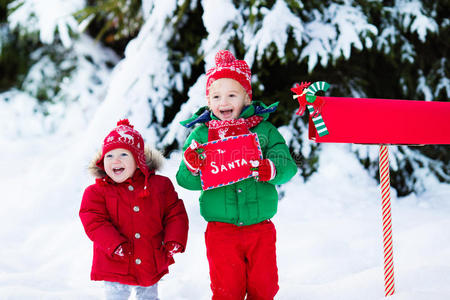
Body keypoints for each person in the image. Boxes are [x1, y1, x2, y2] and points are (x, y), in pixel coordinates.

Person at [176, 50, 297, 299]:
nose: (224, 102)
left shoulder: (263, 131)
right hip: (222, 230)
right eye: (216, 96)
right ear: (209, 101)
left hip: (259, 229)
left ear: (246, 97)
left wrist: (271, 168)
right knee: (226, 290)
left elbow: (287, 164)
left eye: (232, 95)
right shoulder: (201, 136)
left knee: (264, 287)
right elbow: (184, 180)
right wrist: (192, 166)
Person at [80, 119, 189, 300]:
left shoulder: (159, 186)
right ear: (102, 160)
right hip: (114, 260)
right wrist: (114, 244)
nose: (115, 160)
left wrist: (173, 239)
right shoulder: (97, 192)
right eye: (109, 155)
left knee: (148, 296)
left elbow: (175, 213)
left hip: (149, 257)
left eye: (123, 154)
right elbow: (94, 221)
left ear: (138, 160)